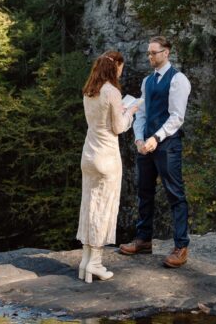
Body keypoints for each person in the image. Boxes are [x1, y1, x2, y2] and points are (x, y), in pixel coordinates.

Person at [118, 35, 191, 268]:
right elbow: (142, 113)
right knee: (144, 191)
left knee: (175, 194)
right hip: (146, 144)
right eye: (148, 53)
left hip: (168, 145)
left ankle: (181, 246)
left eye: (154, 53)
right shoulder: (147, 81)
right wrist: (139, 138)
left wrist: (156, 138)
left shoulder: (178, 79)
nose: (150, 57)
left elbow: (177, 117)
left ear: (166, 52)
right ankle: (143, 240)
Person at [76, 49, 140, 283]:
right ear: (115, 67)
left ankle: (85, 260)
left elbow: (98, 122)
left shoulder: (89, 91)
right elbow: (119, 127)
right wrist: (131, 111)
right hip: (107, 157)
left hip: (89, 155)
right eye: (120, 69)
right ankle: (96, 263)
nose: (121, 73)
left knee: (89, 205)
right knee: (104, 208)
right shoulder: (112, 91)